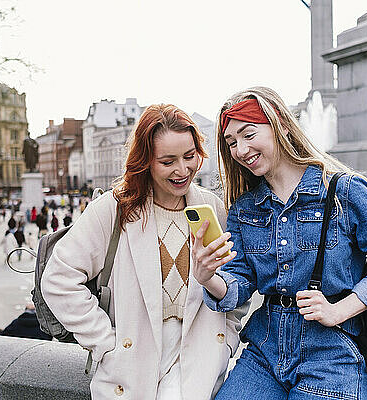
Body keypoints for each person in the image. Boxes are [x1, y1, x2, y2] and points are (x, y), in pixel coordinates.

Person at [193, 87, 367, 400]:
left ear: (281, 124)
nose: (240, 150)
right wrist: (208, 277)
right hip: (263, 353)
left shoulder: (343, 191)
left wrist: (339, 310)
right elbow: (240, 283)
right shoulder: (245, 208)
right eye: (231, 142)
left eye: (248, 134)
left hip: (332, 354)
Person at [41, 104, 248, 400]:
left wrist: (225, 340)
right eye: (167, 161)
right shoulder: (113, 209)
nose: (182, 170)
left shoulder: (212, 208)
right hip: (133, 357)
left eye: (190, 156)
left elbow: (236, 284)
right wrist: (105, 342)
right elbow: (58, 280)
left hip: (198, 356)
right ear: (145, 161)